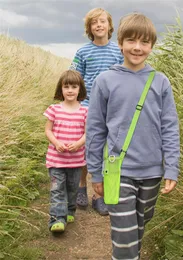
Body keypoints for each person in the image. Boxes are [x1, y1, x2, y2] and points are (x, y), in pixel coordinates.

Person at [86, 13, 180, 259]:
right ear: (120, 42)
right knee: (125, 238)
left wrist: (171, 167)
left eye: (144, 42)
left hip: (152, 173)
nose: (137, 47)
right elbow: (95, 129)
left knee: (138, 227)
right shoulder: (105, 80)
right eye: (131, 41)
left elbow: (170, 127)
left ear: (152, 46)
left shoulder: (160, 82)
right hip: (119, 172)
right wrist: (95, 171)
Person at [70, 7, 124, 215]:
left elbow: (122, 78)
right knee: (86, 150)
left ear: (110, 26)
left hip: (111, 109)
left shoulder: (117, 51)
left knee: (106, 151)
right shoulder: (83, 52)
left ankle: (98, 195)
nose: (99, 25)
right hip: (87, 107)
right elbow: (74, 78)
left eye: (103, 21)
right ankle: (82, 187)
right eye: (94, 23)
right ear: (89, 28)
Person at [44, 70, 88, 233]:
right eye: (66, 86)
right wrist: (56, 143)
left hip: (76, 161)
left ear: (80, 90)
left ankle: (70, 210)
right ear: (60, 89)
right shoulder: (54, 109)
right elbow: (48, 130)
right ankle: (57, 219)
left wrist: (78, 143)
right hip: (56, 160)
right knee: (57, 189)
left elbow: (87, 133)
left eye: (74, 86)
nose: (70, 90)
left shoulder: (84, 111)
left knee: (72, 188)